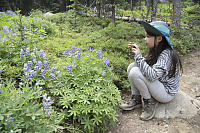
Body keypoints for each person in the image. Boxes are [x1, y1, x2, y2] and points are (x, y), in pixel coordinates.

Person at [119, 21, 183, 121]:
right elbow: (146, 65)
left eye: (148, 36)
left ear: (159, 39)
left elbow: (152, 75)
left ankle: (150, 103)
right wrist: (135, 55)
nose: (145, 39)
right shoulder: (157, 49)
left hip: (166, 93)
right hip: (159, 83)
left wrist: (138, 56)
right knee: (132, 66)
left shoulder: (166, 54)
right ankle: (136, 99)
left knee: (135, 72)